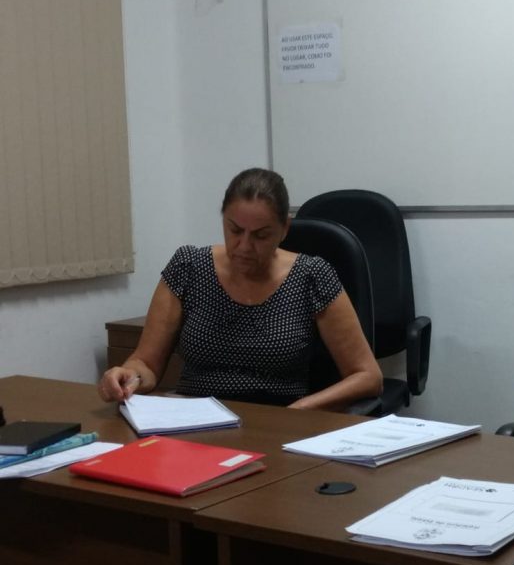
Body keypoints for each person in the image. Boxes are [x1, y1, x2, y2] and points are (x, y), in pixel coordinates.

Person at [99, 168, 382, 410]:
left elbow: (368, 376)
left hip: (278, 423)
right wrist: (130, 376)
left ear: (284, 229)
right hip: (195, 421)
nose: (244, 246)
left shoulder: (312, 276)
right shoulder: (188, 267)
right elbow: (146, 364)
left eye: (261, 235)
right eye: (235, 230)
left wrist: (300, 411)